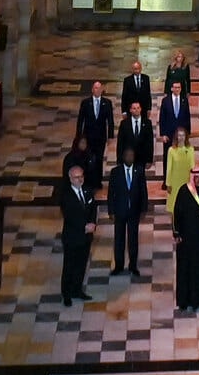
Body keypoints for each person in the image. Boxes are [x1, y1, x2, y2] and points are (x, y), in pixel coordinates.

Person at [172, 166, 199, 313]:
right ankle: (186, 300)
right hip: (187, 238)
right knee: (186, 269)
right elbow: (177, 213)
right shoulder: (184, 191)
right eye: (196, 178)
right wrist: (177, 233)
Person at [57, 164, 99, 304]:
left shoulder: (87, 190)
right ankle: (66, 294)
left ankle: (77, 290)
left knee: (81, 265)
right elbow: (69, 216)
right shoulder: (65, 195)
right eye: (76, 177)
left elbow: (93, 208)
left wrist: (92, 222)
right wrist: (84, 226)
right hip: (72, 237)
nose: (80, 179)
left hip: (86, 237)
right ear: (70, 179)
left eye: (81, 176)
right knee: (69, 266)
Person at [106, 150, 148, 280]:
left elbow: (143, 191)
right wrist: (111, 211)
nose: (130, 157)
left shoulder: (139, 171)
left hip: (134, 211)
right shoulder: (115, 172)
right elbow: (110, 193)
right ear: (123, 157)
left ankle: (133, 266)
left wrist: (143, 209)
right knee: (119, 239)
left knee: (133, 239)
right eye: (128, 155)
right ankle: (119, 265)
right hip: (120, 211)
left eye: (132, 155)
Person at [76, 81, 115, 153]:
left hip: (101, 137)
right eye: (96, 88)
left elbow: (110, 121)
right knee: (88, 157)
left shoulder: (107, 103)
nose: (98, 90)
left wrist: (110, 136)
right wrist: (78, 137)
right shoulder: (85, 103)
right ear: (92, 90)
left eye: (100, 88)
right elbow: (80, 121)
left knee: (99, 157)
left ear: (102, 90)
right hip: (88, 137)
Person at [119, 99, 154, 170]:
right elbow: (120, 142)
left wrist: (149, 160)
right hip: (128, 157)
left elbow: (150, 142)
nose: (136, 110)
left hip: (142, 158)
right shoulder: (124, 124)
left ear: (141, 109)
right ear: (130, 110)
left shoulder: (147, 123)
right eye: (134, 108)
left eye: (138, 108)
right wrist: (119, 159)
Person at [158, 81, 191, 153]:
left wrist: (187, 133)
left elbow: (187, 117)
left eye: (179, 87)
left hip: (181, 134)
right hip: (168, 134)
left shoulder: (184, 100)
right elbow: (162, 118)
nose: (177, 89)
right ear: (171, 89)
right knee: (168, 154)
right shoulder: (165, 100)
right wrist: (163, 134)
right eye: (175, 87)